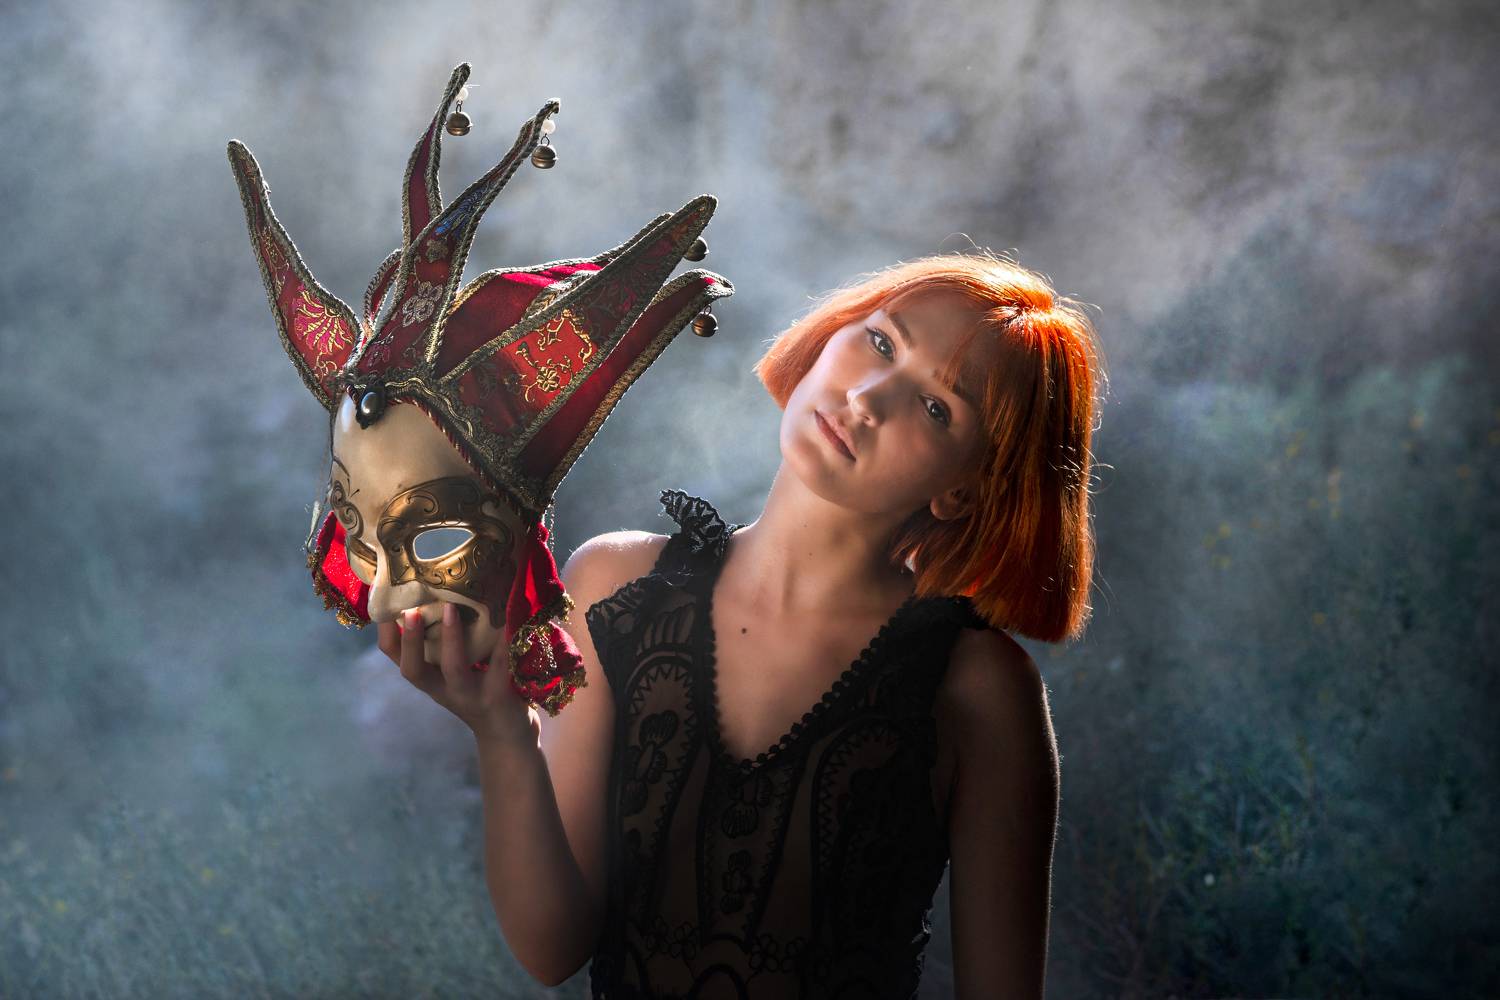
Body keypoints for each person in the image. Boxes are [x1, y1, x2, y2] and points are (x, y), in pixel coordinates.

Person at [377, 250, 1105, 999]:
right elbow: (551, 951)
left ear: (963, 491)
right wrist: (503, 732)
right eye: (882, 341)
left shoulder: (979, 687)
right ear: (832, 335)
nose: (867, 397)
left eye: (936, 407)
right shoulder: (616, 587)